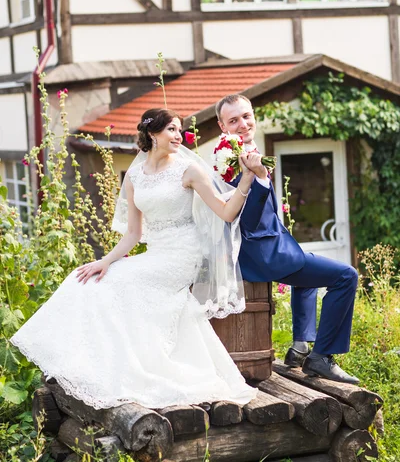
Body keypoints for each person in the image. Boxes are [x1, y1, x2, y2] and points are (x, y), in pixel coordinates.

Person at [11, 108, 258, 410]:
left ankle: (123, 366)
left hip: (183, 254)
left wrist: (246, 180)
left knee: (120, 282)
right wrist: (105, 261)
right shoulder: (134, 175)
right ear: (153, 134)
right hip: (156, 254)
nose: (179, 136)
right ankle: (92, 364)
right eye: (172, 130)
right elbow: (132, 234)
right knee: (87, 280)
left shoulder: (189, 171)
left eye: (180, 130)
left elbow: (226, 212)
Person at [215, 94, 359, 385]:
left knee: (306, 274)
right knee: (346, 276)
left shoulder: (246, 150)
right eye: (233, 120)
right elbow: (247, 221)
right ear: (222, 125)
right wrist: (261, 178)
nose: (243, 124)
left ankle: (300, 348)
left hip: (272, 246)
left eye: (246, 116)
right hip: (260, 253)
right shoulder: (228, 160)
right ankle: (322, 357)